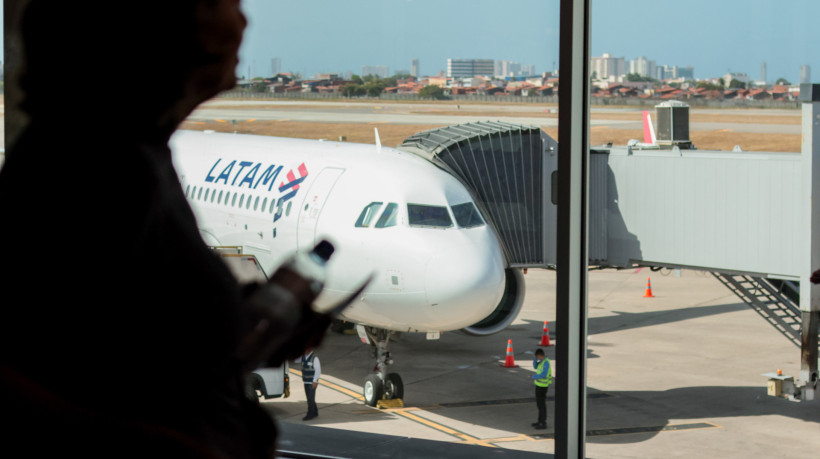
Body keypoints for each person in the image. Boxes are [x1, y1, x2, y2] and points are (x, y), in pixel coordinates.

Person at [0, 1, 329, 457]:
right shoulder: (95, 170)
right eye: (221, 4)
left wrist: (241, 325)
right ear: (152, 33)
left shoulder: (135, 152)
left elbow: (122, 328)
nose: (243, 21)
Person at [531, 348, 552, 430]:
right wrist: (535, 358)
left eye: (537, 357)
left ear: (540, 355)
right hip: (539, 385)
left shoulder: (546, 362)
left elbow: (543, 375)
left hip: (543, 387)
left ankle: (543, 422)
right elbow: (535, 366)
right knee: (539, 405)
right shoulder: (541, 361)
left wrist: (533, 376)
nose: (537, 358)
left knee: (541, 405)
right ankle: (540, 421)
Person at [301, 347, 321, 421]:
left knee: (310, 399)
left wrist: (315, 381)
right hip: (306, 381)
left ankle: (310, 414)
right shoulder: (303, 357)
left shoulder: (314, 358)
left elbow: (318, 370)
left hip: (311, 382)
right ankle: (315, 412)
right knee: (310, 398)